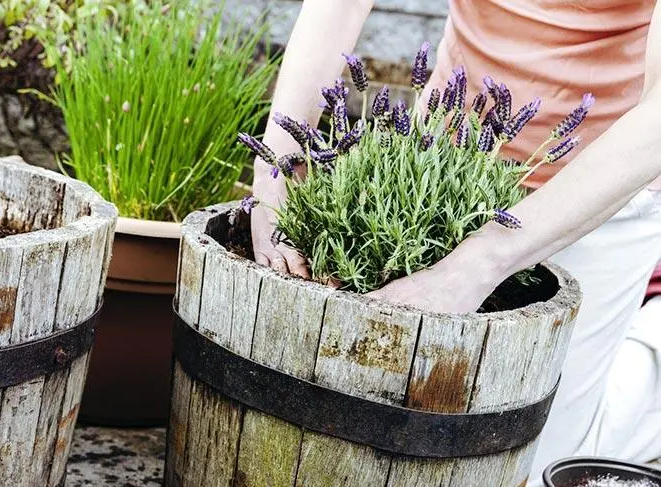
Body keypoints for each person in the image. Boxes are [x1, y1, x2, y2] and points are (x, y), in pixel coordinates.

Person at [250, 0, 661, 484]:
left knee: (535, 466)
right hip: (444, 166)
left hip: (594, 198)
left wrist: (475, 266)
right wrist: (274, 168)